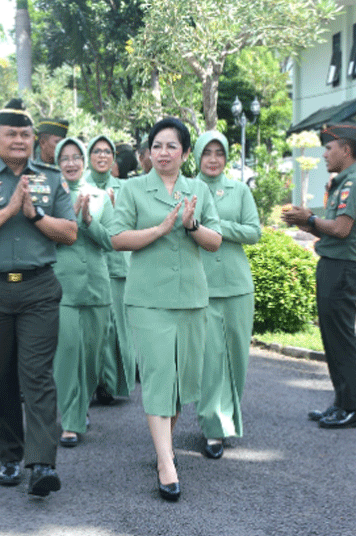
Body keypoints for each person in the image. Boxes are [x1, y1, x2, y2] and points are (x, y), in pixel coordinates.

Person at [0, 98, 77, 497]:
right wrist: (8, 211)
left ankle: (41, 463)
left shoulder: (52, 179)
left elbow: (69, 232)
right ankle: (9, 455)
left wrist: (36, 215)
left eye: (26, 134)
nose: (20, 140)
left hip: (39, 287)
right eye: (12, 134)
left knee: (37, 374)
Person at [110, 117, 221, 501]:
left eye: (171, 146)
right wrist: (159, 230)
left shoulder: (199, 191)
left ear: (185, 153)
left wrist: (191, 225)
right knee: (158, 376)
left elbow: (215, 241)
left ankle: (164, 444)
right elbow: (118, 238)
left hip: (190, 298)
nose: (163, 152)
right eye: (156, 146)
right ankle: (165, 462)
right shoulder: (132, 189)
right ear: (148, 152)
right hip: (147, 300)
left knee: (181, 382)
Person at [281, 121, 356, 430]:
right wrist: (302, 221)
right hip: (333, 265)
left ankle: (353, 410)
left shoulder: (354, 183)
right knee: (332, 339)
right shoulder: (341, 182)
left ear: (346, 150)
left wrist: (312, 218)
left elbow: (342, 229)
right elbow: (326, 226)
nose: (324, 155)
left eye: (329, 148)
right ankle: (341, 403)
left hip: (343, 268)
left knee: (343, 340)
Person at [193, 131, 261, 459]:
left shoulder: (240, 190)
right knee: (209, 360)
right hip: (200, 288)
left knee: (236, 359)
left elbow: (254, 232)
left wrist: (219, 226)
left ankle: (228, 419)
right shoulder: (185, 189)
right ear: (196, 155)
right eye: (207, 152)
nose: (213, 159)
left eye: (219, 152)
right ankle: (212, 428)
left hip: (237, 287)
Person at [51, 137, 114, 448]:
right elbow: (42, 240)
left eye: (77, 157)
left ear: (85, 161)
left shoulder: (101, 196)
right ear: (57, 162)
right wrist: (67, 224)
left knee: (91, 359)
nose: (72, 162)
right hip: (62, 288)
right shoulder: (48, 197)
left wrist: (87, 220)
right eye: (65, 158)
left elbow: (112, 240)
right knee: (66, 355)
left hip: (97, 288)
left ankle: (80, 406)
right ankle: (71, 422)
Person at [85, 135, 132, 404]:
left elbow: (130, 224)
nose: (102, 156)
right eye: (96, 151)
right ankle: (92, 381)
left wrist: (115, 209)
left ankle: (110, 383)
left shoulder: (124, 189)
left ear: (113, 158)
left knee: (117, 328)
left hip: (116, 264)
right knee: (95, 326)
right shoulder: (81, 187)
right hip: (90, 262)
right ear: (89, 157)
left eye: (107, 152)